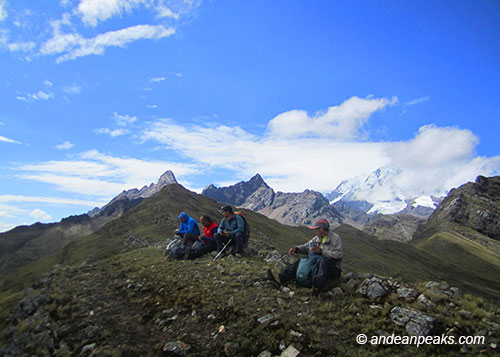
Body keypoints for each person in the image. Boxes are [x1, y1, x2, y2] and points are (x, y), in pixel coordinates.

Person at [266, 219, 343, 294]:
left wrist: (320, 251)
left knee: (324, 262)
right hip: (317, 264)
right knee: (301, 262)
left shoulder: (335, 238)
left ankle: (317, 287)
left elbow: (338, 254)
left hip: (333, 268)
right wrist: (296, 249)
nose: (315, 231)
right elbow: (306, 248)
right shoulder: (316, 239)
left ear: (323, 229)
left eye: (316, 229)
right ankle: (280, 278)